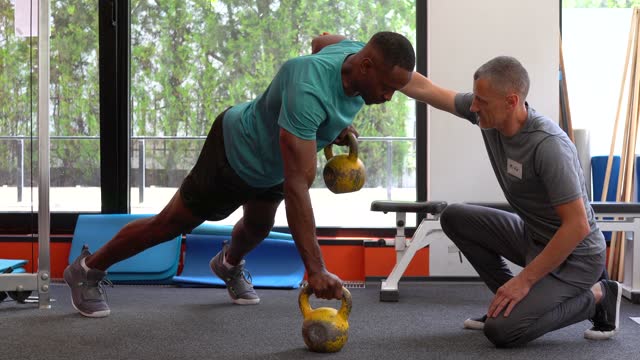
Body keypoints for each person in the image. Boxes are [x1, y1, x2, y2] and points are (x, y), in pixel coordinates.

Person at [63, 31, 416, 317]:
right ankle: (88, 268)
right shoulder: (307, 90)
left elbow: (321, 41)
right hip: (235, 152)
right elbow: (297, 187)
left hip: (274, 159)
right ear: (367, 66)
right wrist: (317, 270)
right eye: (386, 87)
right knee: (170, 225)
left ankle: (228, 263)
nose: (388, 96)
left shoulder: (351, 52)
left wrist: (334, 124)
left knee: (259, 226)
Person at [399, 56, 621, 347]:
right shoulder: (488, 113)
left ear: (511, 101)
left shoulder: (548, 146)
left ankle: (599, 296)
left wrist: (524, 280)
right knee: (454, 216)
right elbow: (428, 90)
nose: (474, 107)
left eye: (481, 101)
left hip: (575, 257)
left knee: (503, 332)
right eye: (474, 98)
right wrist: (371, 61)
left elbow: (577, 226)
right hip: (534, 238)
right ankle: (505, 303)